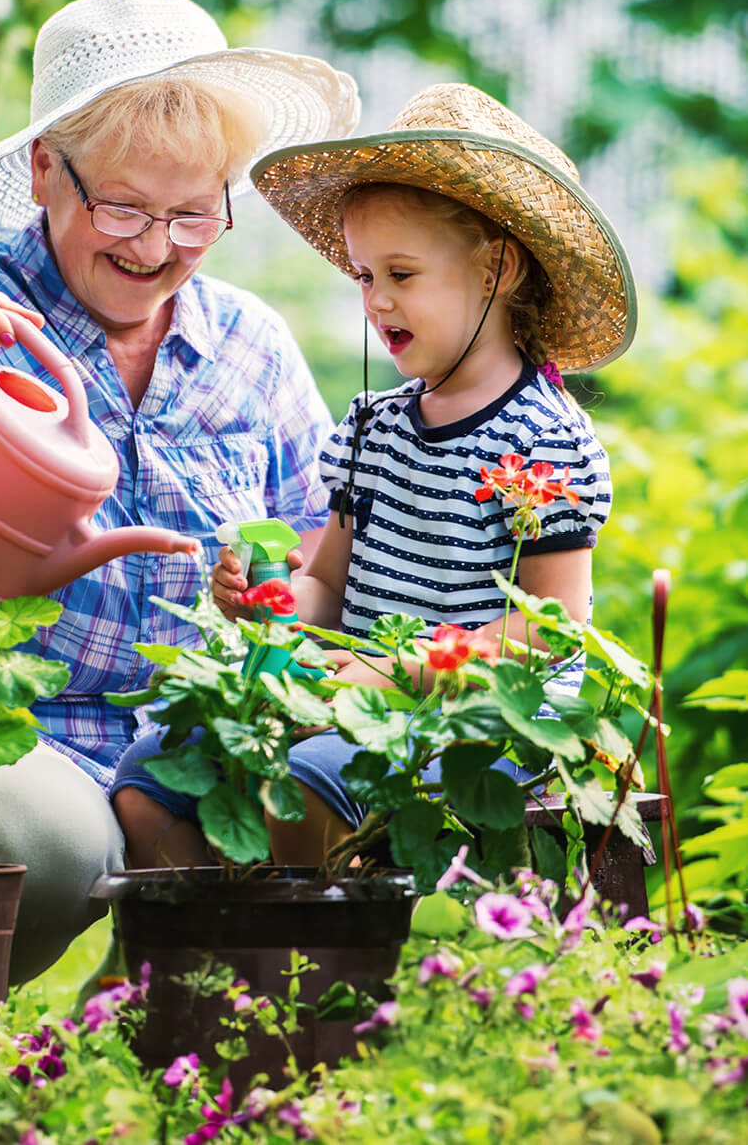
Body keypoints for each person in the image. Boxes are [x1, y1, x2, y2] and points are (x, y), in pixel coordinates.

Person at [0, 0, 360, 982]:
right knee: (52, 845)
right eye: (124, 207)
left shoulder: (248, 348)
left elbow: (314, 559)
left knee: (319, 793)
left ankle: (158, 1045)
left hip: (163, 743)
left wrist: (271, 605)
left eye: (192, 216)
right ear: (47, 167)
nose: (152, 248)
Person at [111, 81, 637, 869]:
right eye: (362, 275)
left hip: (478, 722)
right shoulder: (372, 428)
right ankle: (221, 963)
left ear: (496, 268)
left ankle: (323, 972)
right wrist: (271, 603)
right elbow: (328, 585)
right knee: (147, 776)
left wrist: (395, 669)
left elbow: (546, 633)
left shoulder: (544, 441)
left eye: (402, 273)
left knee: (298, 783)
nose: (376, 300)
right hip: (352, 701)